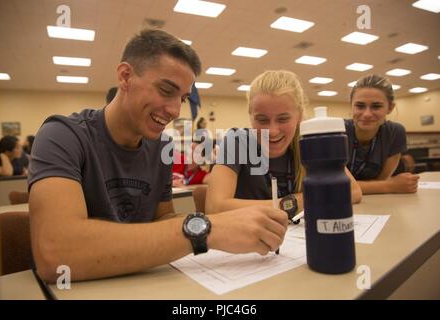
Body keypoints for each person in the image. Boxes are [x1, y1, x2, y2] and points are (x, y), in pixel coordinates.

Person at [28, 29, 288, 283]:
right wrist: (208, 229)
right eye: (166, 90)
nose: (175, 110)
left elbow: (163, 219)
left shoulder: (161, 146)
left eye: (183, 98)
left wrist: (224, 225)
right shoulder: (61, 135)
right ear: (125, 76)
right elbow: (56, 253)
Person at [206, 70, 362, 218]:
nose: (272, 131)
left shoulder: (310, 142)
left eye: (283, 119)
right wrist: (290, 204)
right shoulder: (236, 141)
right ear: (250, 117)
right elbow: (215, 208)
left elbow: (352, 191)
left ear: (299, 116)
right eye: (262, 120)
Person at [346, 74, 419, 194]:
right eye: (360, 106)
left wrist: (384, 185)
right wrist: (391, 186)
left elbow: (381, 181)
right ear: (351, 105)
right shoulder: (338, 131)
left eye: (376, 106)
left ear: (390, 108)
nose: (367, 114)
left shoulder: (395, 132)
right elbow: (335, 186)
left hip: (377, 202)